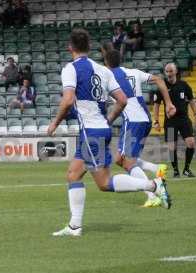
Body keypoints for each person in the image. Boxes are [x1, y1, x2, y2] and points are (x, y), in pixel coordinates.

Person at [48, 29, 171, 237]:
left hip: (91, 132)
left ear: (70, 47)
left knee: (104, 183)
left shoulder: (71, 69)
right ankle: (74, 226)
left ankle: (153, 185)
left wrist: (54, 123)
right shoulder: (103, 70)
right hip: (100, 128)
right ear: (88, 47)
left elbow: (68, 99)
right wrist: (108, 120)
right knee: (73, 174)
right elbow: (122, 100)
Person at [104, 49, 176, 208]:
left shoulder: (108, 77)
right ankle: (156, 168)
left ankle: (153, 192)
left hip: (133, 121)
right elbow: (159, 79)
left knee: (126, 162)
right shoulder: (133, 72)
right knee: (121, 159)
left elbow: (116, 102)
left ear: (106, 62)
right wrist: (169, 103)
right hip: (145, 119)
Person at [154, 63, 196, 178]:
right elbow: (156, 105)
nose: (168, 74)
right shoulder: (162, 86)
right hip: (170, 122)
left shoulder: (184, 85)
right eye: (167, 71)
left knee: (191, 143)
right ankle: (175, 170)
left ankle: (187, 169)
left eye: (170, 71)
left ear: (176, 71)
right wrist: (156, 121)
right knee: (171, 147)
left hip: (184, 119)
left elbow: (192, 101)